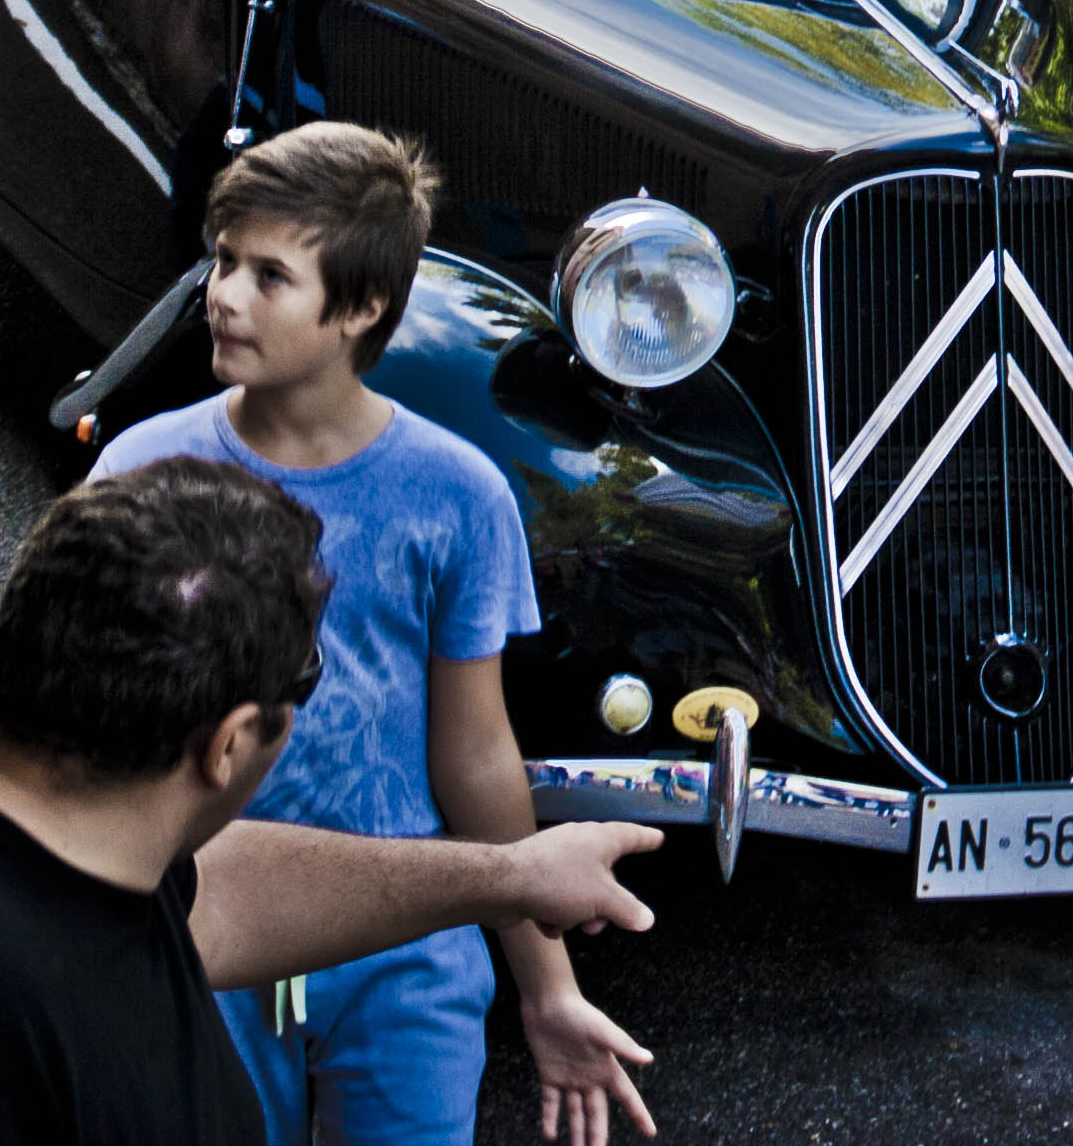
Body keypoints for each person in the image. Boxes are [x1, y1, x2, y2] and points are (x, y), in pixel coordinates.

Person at [0, 462, 660, 1146]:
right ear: (232, 742)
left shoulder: (28, 810)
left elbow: (211, 896)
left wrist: (512, 875)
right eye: (308, 677)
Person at [96, 126, 655, 1146]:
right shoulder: (143, 469)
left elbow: (476, 752)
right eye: (223, 261)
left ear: (360, 309)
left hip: (406, 945)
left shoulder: (459, 494)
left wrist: (546, 986)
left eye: (270, 276)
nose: (222, 293)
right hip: (202, 930)